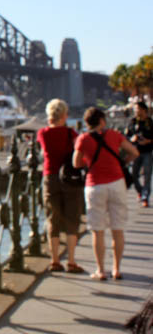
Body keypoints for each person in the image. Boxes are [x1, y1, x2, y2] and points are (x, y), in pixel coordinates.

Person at [73, 107, 138, 281]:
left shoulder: (83, 138)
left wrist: (89, 160)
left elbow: (76, 163)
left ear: (87, 123)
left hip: (95, 185)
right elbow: (134, 152)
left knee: (98, 230)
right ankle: (116, 269)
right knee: (118, 228)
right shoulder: (114, 135)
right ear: (102, 120)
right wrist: (123, 162)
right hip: (117, 183)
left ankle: (100, 270)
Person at [36, 98, 84, 273]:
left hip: (50, 177)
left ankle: (54, 260)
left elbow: (43, 148)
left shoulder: (42, 133)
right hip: (69, 178)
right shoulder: (72, 134)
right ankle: (71, 260)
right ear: (65, 115)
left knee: (52, 218)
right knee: (72, 218)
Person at [126, 101, 153, 207]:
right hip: (135, 152)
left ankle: (145, 197)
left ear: (143, 110)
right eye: (135, 109)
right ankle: (140, 191)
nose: (135, 111)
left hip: (147, 152)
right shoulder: (132, 122)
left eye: (137, 109)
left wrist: (149, 141)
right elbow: (126, 137)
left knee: (147, 175)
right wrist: (132, 139)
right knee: (134, 175)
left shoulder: (150, 122)